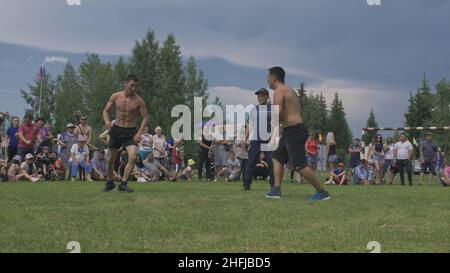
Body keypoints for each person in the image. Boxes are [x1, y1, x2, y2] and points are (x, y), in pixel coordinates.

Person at [265, 66, 330, 201]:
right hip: (292, 129)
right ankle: (276, 190)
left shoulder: (278, 91)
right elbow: (296, 109)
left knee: (299, 165)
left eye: (268, 77)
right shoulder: (290, 91)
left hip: (294, 130)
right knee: (277, 157)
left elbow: (277, 112)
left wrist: (273, 126)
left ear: (274, 77)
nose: (267, 80)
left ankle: (322, 192)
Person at [102, 74, 149, 193]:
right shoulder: (116, 96)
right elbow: (105, 111)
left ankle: (123, 184)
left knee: (132, 157)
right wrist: (107, 121)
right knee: (110, 160)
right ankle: (110, 182)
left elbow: (145, 117)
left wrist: (139, 133)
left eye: (136, 86)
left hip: (130, 132)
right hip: (116, 130)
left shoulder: (139, 100)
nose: (134, 88)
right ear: (125, 84)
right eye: (132, 85)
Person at [243, 88, 274, 190]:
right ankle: (246, 185)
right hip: (256, 139)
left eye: (262, 96)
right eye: (258, 96)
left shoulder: (272, 109)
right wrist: (245, 138)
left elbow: (276, 125)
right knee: (251, 161)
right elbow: (250, 125)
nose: (260, 98)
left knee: (270, 161)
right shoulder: (254, 109)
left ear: (267, 97)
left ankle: (273, 185)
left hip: (268, 139)